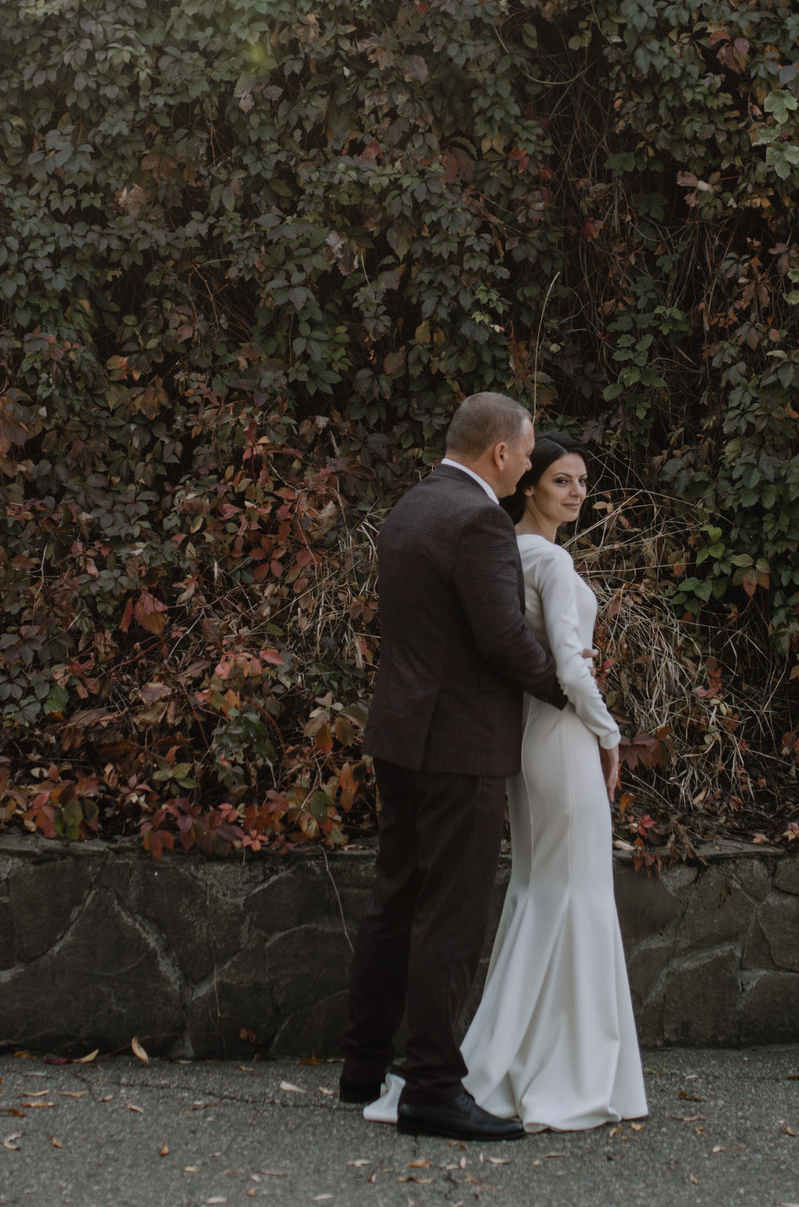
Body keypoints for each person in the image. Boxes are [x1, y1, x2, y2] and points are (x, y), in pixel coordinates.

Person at [361, 430, 648, 1134]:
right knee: (572, 889)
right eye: (559, 480)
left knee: (536, 887)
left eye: (582, 481)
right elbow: (566, 666)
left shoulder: (494, 544)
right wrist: (610, 733)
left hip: (516, 731)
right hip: (560, 731)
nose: (575, 491)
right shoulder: (541, 555)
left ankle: (502, 1049)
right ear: (524, 480)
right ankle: (563, 1064)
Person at [337, 392, 565, 1141]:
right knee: (453, 912)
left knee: (395, 897)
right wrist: (568, 691)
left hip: (400, 734)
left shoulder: (410, 507)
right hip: (459, 743)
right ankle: (433, 1084)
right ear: (500, 452)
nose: (530, 464)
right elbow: (501, 638)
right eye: (527, 452)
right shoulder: (479, 522)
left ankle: (364, 1066)